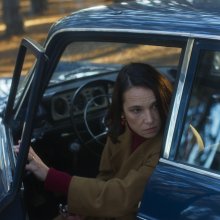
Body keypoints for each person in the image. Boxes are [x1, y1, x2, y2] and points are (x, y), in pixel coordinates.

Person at [15, 63, 173, 220]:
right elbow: (106, 177)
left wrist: (50, 175)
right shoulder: (121, 131)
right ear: (122, 111)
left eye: (155, 106)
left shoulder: (170, 146)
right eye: (136, 110)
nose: (150, 119)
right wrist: (85, 210)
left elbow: (123, 198)